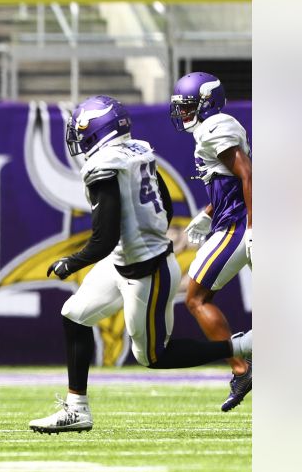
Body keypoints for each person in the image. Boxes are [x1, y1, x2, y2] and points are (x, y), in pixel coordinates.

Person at [29, 95, 252, 434]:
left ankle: (243, 346)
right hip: (125, 259)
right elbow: (161, 199)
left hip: (145, 271)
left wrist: (70, 263)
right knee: (74, 314)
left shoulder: (105, 166)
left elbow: (102, 239)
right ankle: (77, 409)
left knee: (153, 357)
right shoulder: (137, 150)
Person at [169, 71, 253, 411]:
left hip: (237, 227)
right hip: (230, 220)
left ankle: (242, 367)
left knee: (196, 298)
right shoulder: (210, 128)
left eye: (189, 107)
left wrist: (253, 225)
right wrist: (207, 211)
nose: (184, 114)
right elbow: (230, 179)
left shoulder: (216, 126)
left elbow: (247, 173)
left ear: (206, 103)